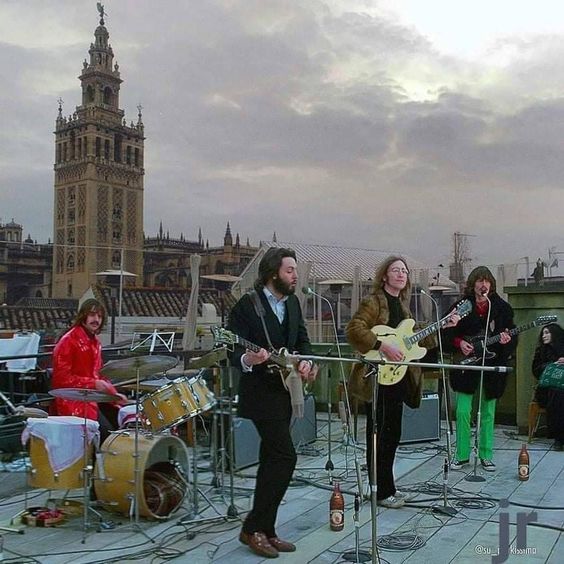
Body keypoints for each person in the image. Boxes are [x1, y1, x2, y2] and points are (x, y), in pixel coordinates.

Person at [346, 256, 459, 509]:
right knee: (379, 434)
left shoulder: (404, 307)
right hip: (376, 377)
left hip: (397, 378)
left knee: (392, 434)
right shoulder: (373, 301)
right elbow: (354, 329)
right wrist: (381, 345)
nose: (401, 274)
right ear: (384, 275)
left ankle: (386, 487)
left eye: (404, 271)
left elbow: (415, 340)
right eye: (395, 270)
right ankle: (380, 490)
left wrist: (443, 327)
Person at [228, 247, 316, 558]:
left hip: (285, 392)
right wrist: (247, 358)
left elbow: (301, 340)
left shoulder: (292, 303)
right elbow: (230, 348)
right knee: (285, 457)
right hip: (260, 394)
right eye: (289, 270)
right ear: (272, 274)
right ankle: (252, 527)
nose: (295, 275)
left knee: (271, 461)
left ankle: (267, 528)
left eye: (294, 270)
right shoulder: (246, 306)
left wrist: (305, 362)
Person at [442, 266, 516, 472]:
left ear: (491, 285)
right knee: (464, 410)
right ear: (472, 284)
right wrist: (459, 344)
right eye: (479, 281)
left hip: (491, 364)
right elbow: (446, 332)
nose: (483, 285)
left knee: (488, 412)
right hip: (466, 365)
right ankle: (462, 454)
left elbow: (510, 333)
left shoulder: (501, 308)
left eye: (487, 281)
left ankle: (485, 454)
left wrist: (506, 339)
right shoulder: (460, 306)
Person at [51, 298, 126, 440]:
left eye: (99, 316)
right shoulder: (68, 341)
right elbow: (61, 380)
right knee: (107, 435)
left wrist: (115, 396)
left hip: (92, 399)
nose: (96, 319)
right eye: (92, 315)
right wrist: (93, 384)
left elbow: (100, 375)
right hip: (73, 403)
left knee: (123, 424)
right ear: (83, 316)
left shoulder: (95, 342)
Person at [532, 323, 564, 451]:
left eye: (547, 333)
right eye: (543, 333)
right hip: (547, 390)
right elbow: (535, 370)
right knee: (557, 394)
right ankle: (559, 438)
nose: (544, 336)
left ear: (555, 334)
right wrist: (552, 365)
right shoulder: (541, 351)